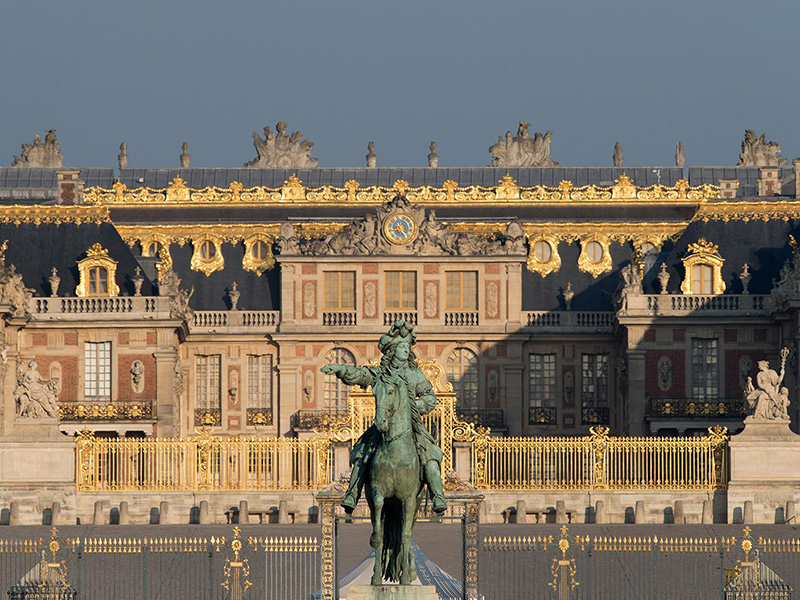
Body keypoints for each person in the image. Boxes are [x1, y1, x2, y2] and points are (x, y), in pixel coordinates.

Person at [321, 320, 447, 514]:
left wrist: (412, 408)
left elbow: (430, 399)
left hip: (410, 425)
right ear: (392, 350)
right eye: (402, 347)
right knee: (362, 454)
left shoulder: (416, 375)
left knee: (430, 456)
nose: (406, 350)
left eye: (407, 347)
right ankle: (352, 493)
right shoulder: (381, 373)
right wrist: (341, 370)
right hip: (383, 424)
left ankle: (437, 495)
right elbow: (360, 375)